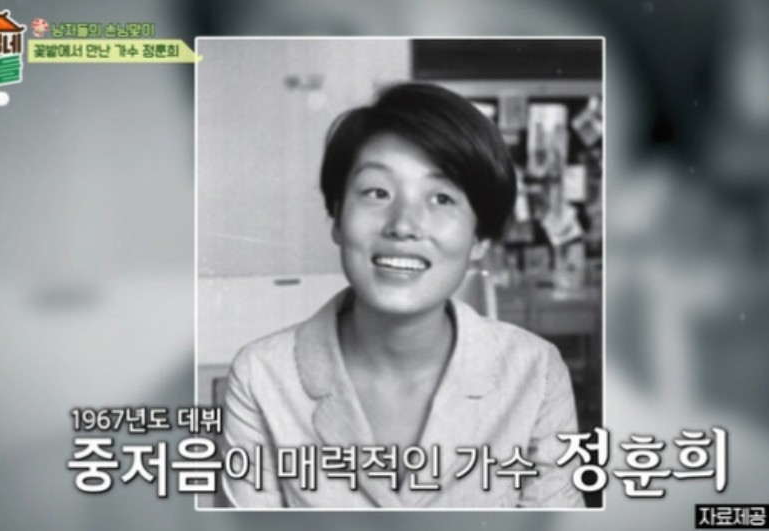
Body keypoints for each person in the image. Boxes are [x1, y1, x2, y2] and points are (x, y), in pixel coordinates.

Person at [222, 83, 583, 508]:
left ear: (479, 238)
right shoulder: (261, 376)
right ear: (337, 217)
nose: (403, 225)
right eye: (377, 192)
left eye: (442, 198)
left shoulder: (536, 373)